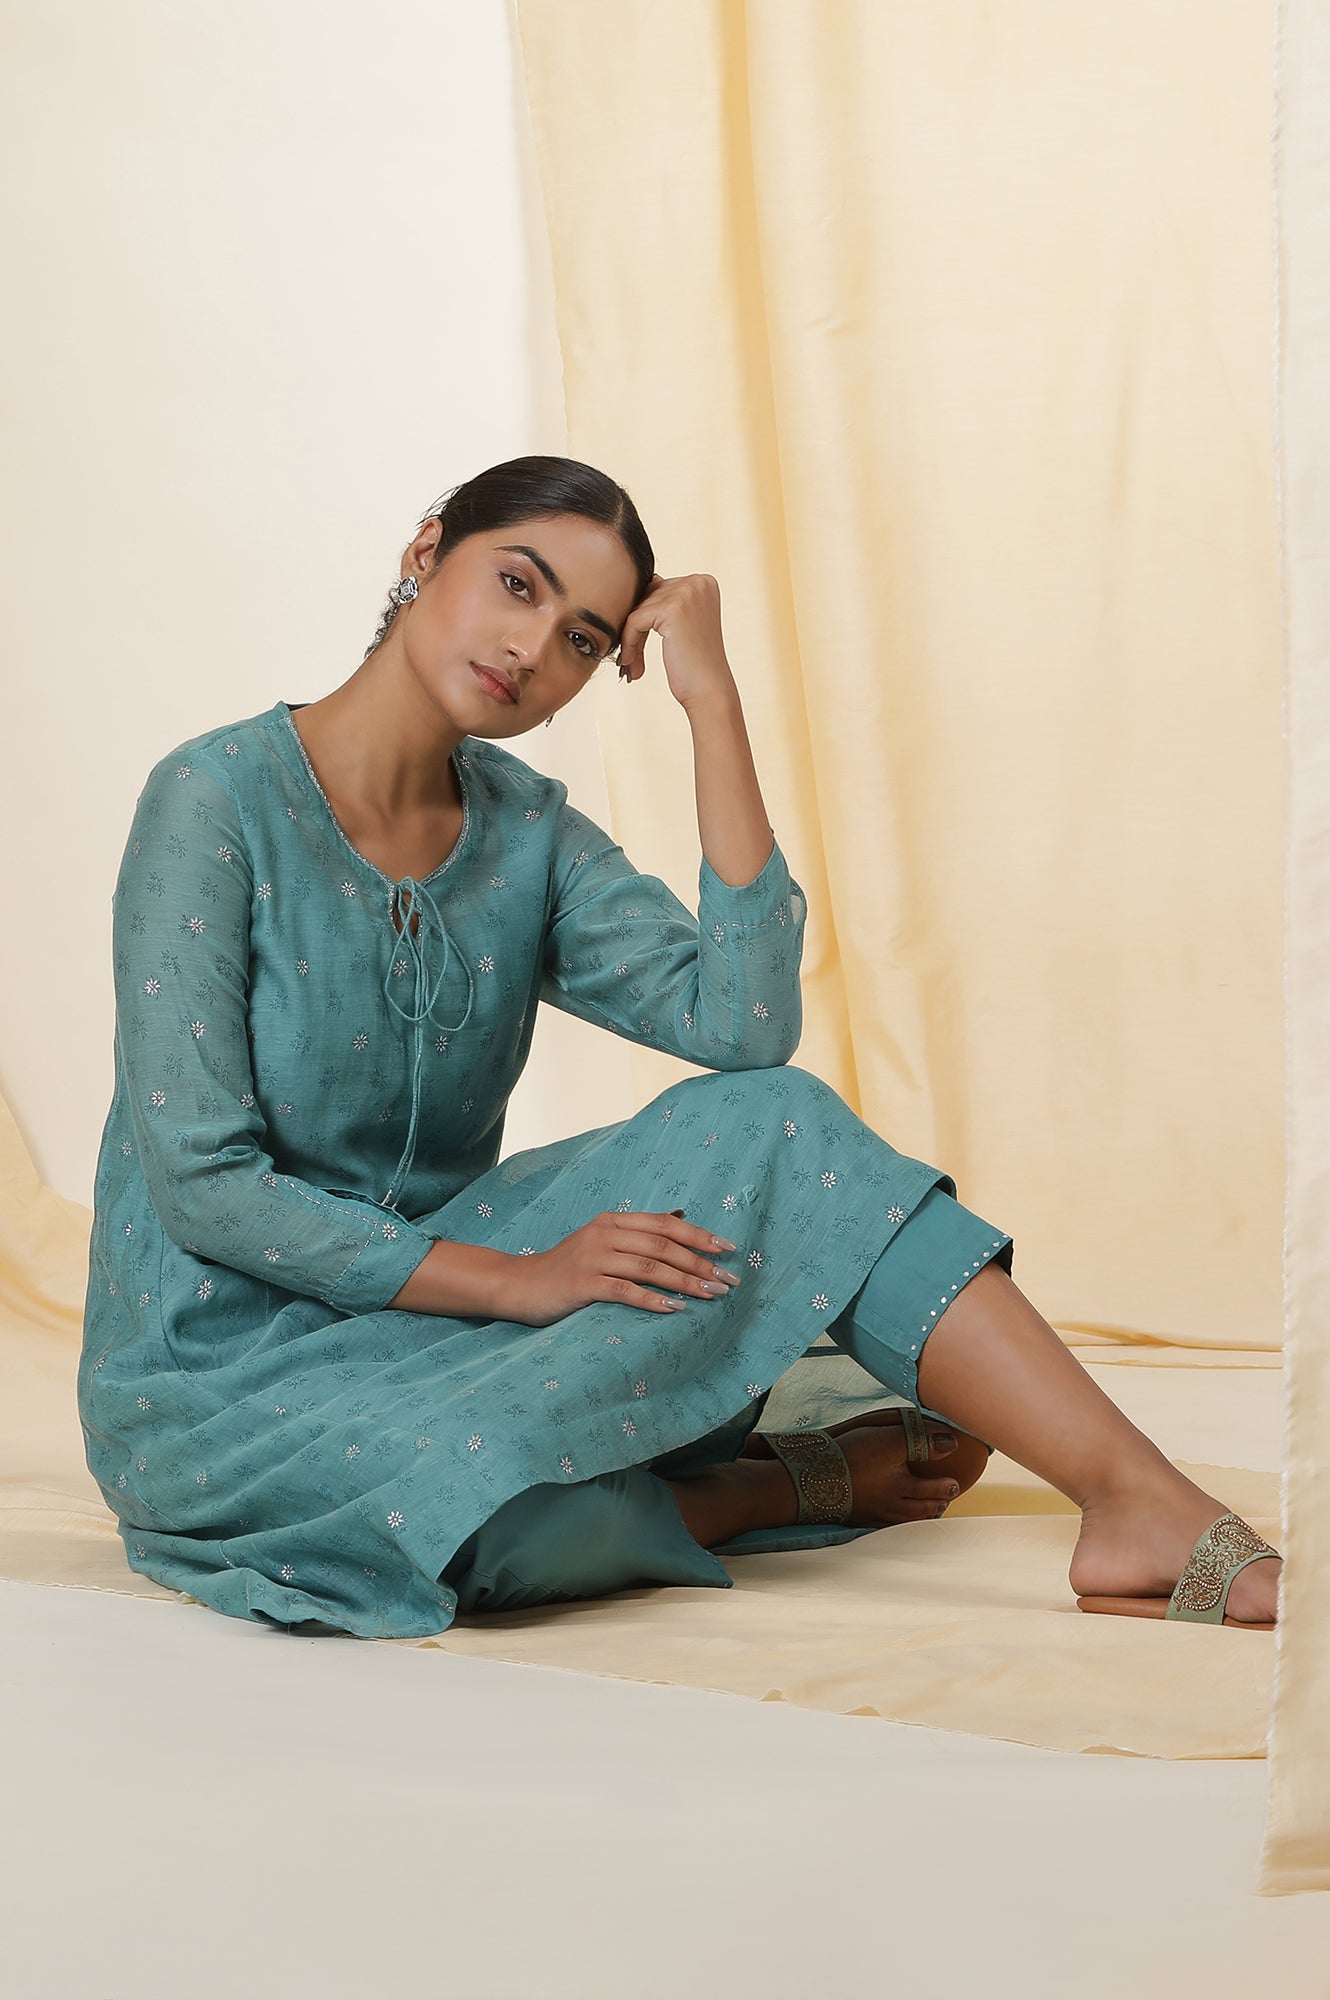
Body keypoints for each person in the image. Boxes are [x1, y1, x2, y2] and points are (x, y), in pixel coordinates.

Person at [77, 455, 1280, 1637]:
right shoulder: (214, 798)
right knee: (456, 1503)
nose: (531, 648)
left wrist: (713, 703)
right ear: (427, 550)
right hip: (218, 1377)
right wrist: (522, 1279)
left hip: (432, 1323)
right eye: (516, 584)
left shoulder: (525, 831)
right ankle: (761, 1488)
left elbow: (742, 1026)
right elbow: (206, 1187)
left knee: (776, 1115)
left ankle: (1135, 1501)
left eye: (582, 639)